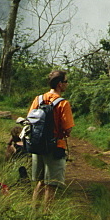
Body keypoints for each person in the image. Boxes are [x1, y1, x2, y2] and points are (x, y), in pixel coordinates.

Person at [28, 69, 74, 209]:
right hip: (55, 146)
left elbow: (30, 120)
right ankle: (46, 215)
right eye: (65, 81)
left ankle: (33, 212)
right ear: (60, 84)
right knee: (51, 185)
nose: (67, 84)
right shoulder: (63, 104)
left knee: (40, 182)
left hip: (37, 145)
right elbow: (68, 129)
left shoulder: (38, 99)